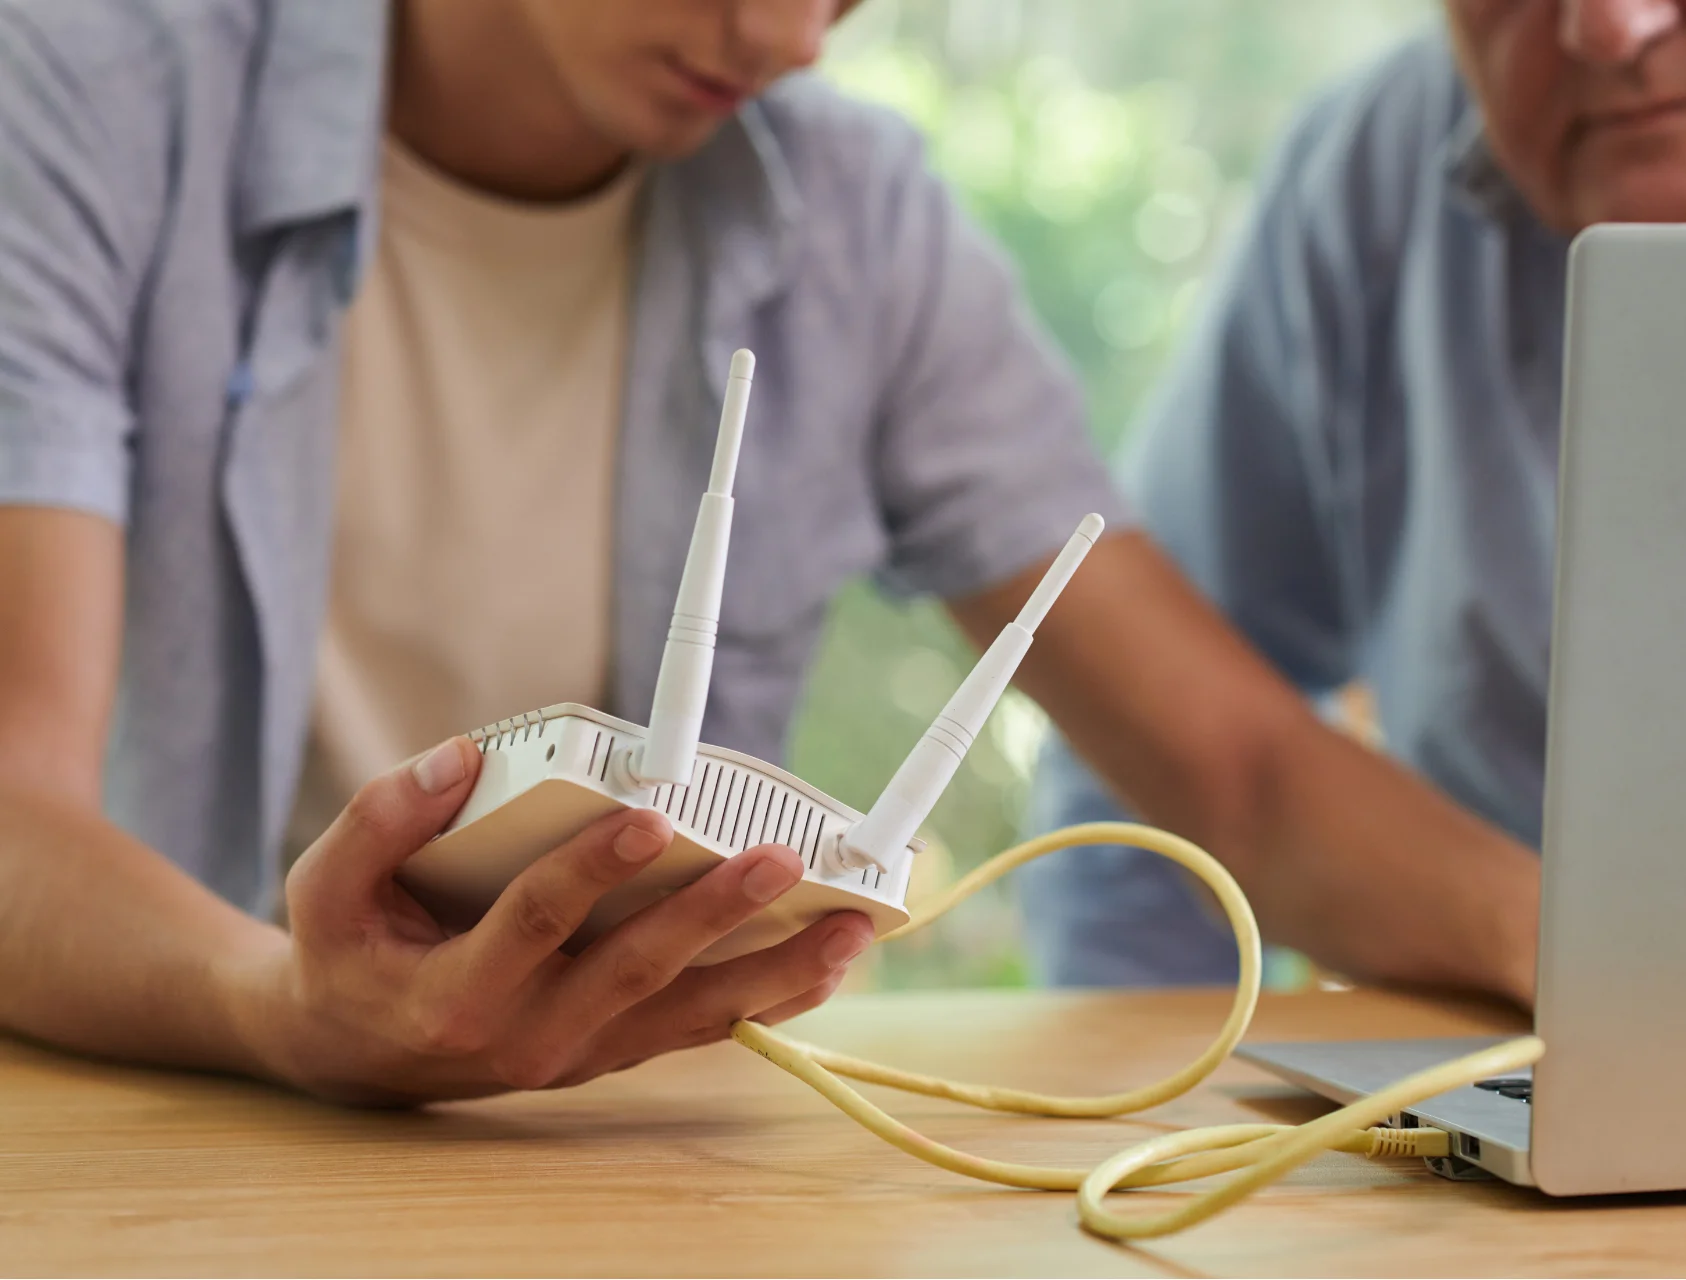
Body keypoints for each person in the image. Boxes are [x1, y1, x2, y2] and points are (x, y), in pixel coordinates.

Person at [0, 0, 1545, 1107]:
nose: (795, 34)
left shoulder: (854, 221)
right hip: (164, 1120)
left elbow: (1243, 773)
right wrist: (278, 1008)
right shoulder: (86, 96)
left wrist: (1591, 955)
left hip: (618, 1159)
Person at [1022, 0, 1686, 986]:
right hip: (1516, 1065)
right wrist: (1157, 1104)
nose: (1611, 29)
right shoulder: (1367, 181)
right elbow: (1145, 746)